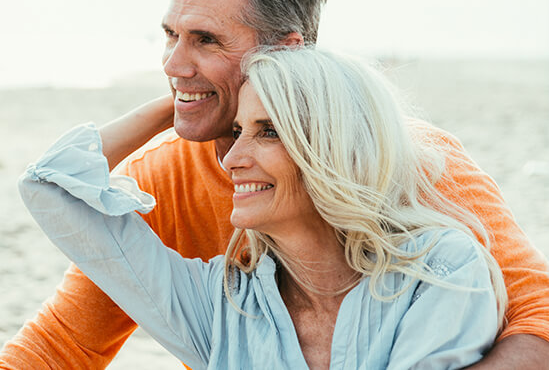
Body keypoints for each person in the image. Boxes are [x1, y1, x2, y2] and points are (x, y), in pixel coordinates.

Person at [1, 0, 548, 368]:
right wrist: (184, 100)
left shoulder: (418, 169)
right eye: (169, 36)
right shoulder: (169, 198)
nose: (173, 61)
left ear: (286, 53)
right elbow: (60, 348)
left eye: (205, 40)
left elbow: (539, 323)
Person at [20, 47, 506, 369]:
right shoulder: (219, 302)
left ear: (333, 148)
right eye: (236, 130)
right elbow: (50, 188)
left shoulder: (440, 269)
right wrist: (185, 103)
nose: (232, 158)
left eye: (268, 130)